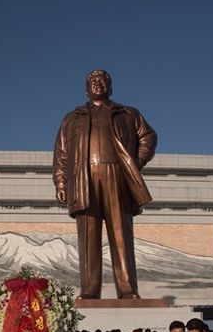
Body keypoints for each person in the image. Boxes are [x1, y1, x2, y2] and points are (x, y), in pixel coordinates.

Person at [52, 69, 157, 299]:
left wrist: (135, 162)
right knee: (87, 236)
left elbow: (148, 136)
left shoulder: (127, 113)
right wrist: (60, 183)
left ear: (111, 87)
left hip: (117, 176)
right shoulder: (72, 118)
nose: (98, 83)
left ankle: (127, 288)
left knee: (121, 233)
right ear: (86, 89)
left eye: (103, 81)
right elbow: (61, 153)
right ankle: (89, 290)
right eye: (93, 81)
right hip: (83, 178)